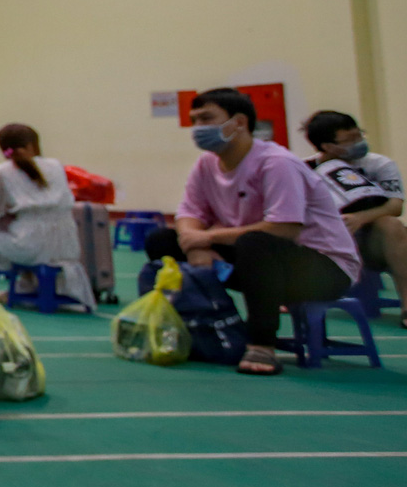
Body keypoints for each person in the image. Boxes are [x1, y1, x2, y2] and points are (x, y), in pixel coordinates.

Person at [142, 88, 360, 375]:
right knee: (162, 240)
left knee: (255, 243)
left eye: (207, 119)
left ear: (239, 122)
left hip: (321, 267)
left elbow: (284, 228)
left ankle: (262, 345)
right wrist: (195, 245)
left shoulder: (277, 163)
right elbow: (189, 214)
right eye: (194, 120)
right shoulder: (206, 164)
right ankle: (201, 327)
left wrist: (208, 238)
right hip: (256, 261)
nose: (198, 129)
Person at [0, 123, 94, 310]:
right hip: (67, 243)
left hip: (29, 245)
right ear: (34, 144)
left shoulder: (0, 171)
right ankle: (26, 284)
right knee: (15, 227)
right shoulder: (56, 166)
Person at [302, 109, 407, 328]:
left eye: (359, 135)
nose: (358, 142)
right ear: (327, 146)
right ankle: (292, 294)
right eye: (350, 139)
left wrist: (360, 218)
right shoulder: (303, 169)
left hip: (370, 242)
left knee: (392, 225)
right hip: (325, 241)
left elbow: (395, 206)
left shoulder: (379, 164)